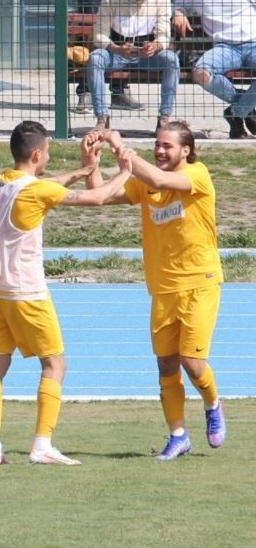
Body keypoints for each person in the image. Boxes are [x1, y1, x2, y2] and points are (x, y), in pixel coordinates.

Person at [0, 120, 132, 466]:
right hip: (27, 291)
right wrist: (125, 171)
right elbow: (98, 198)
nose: (48, 158)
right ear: (36, 155)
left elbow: (45, 185)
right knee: (55, 364)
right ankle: (42, 444)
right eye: (46, 152)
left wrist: (84, 170)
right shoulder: (36, 191)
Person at [88, 126, 226, 460]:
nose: (160, 151)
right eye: (157, 145)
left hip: (199, 282)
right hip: (163, 288)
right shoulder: (145, 181)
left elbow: (160, 180)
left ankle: (213, 404)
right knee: (166, 365)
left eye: (167, 146)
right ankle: (178, 436)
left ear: (186, 151)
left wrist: (119, 146)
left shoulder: (196, 175)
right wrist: (90, 161)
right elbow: (100, 195)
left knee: (192, 362)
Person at [171, 0, 256, 139]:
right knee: (201, 72)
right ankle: (246, 107)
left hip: (253, 43)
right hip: (224, 47)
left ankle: (236, 112)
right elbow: (179, 4)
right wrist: (179, 13)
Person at [85, 0, 178, 135]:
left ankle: (164, 118)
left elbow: (164, 35)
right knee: (96, 59)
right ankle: (102, 119)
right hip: (116, 52)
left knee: (171, 59)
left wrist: (155, 46)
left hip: (146, 55)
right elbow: (99, 35)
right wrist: (116, 48)